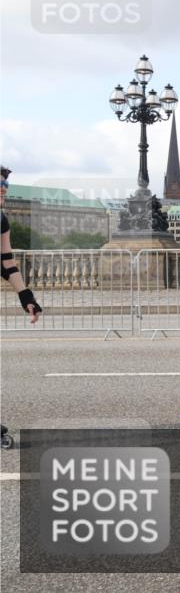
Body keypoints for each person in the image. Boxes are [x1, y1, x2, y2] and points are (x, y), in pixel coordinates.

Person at [0, 166, 43, 449]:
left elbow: (7, 262)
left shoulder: (1, 220)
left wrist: (26, 297)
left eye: (5, 186)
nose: (3, 190)